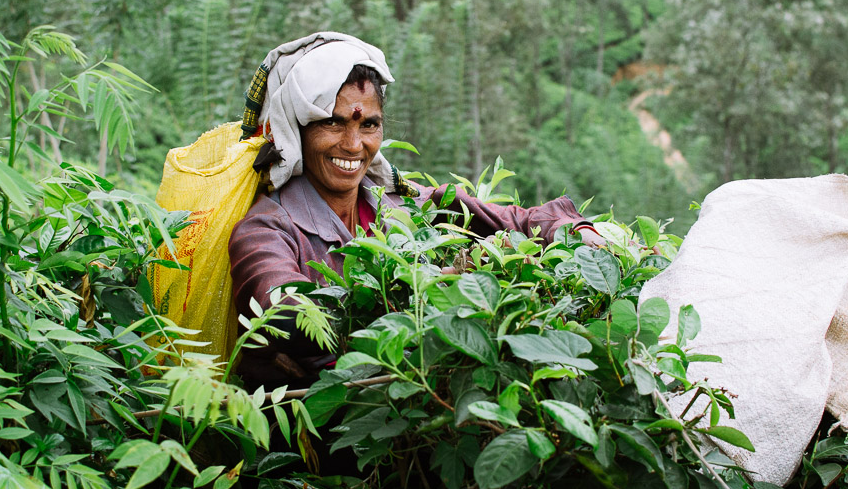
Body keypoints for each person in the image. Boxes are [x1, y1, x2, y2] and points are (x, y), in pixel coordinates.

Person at [228, 32, 603, 387]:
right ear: (298, 130)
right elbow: (288, 318)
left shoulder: (400, 204)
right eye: (332, 123)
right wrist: (430, 287)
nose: (354, 144)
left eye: (369, 125)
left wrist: (581, 234)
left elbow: (516, 221)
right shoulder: (267, 228)